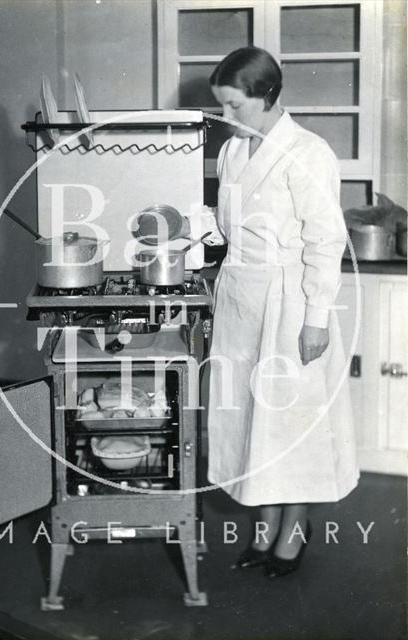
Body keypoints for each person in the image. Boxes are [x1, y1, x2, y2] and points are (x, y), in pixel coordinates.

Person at [186, 46, 360, 577]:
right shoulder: (234, 151)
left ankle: (294, 527)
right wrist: (190, 236)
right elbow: (228, 227)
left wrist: (315, 319)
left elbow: (325, 243)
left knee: (288, 418)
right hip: (241, 296)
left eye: (234, 106)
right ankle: (264, 523)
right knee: (246, 416)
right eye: (220, 106)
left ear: (267, 96)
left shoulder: (308, 153)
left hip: (290, 301)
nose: (225, 118)